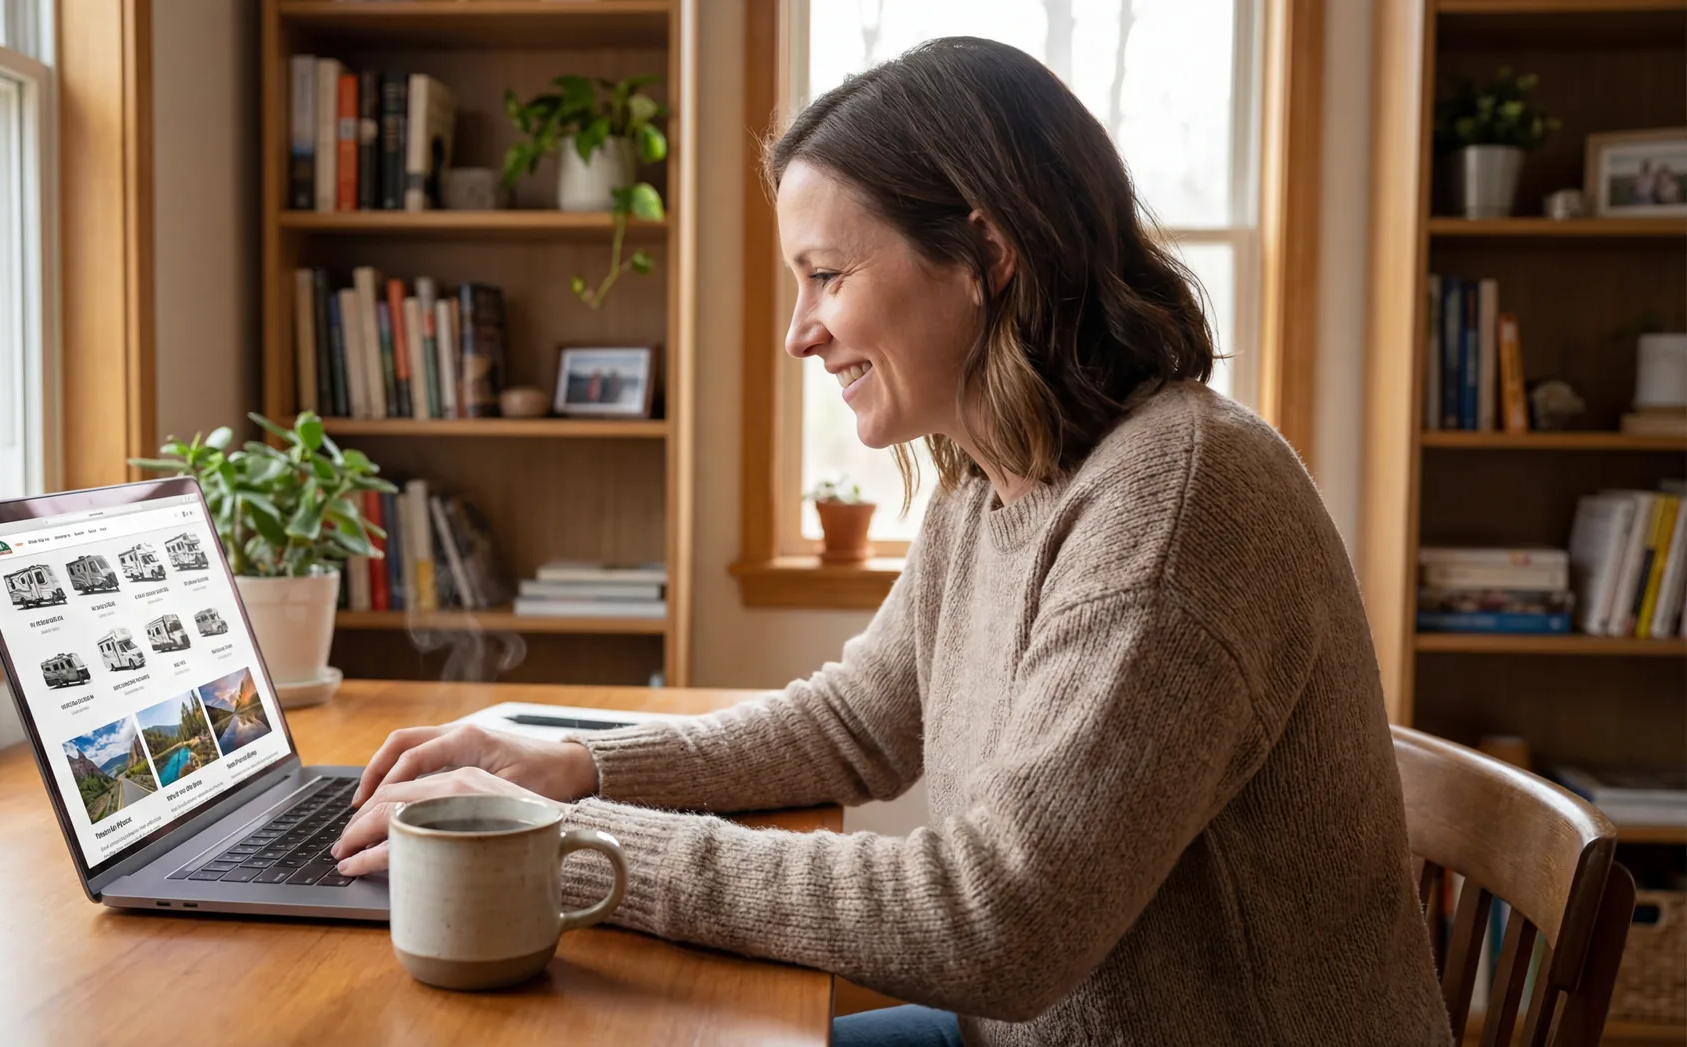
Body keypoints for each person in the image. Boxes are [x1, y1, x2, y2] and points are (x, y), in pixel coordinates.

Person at [332, 37, 1451, 1046]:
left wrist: (569, 841)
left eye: (827, 275)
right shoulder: (996, 471)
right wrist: (579, 764)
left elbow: (996, 925)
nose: (798, 331)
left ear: (984, 254)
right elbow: (858, 723)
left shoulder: (1172, 506)